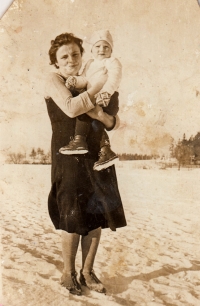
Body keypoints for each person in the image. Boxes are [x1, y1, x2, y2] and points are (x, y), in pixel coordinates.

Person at [44, 32, 127, 296]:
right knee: (71, 214)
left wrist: (102, 113)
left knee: (95, 215)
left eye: (76, 54)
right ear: (56, 62)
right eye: (64, 56)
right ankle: (68, 273)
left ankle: (88, 271)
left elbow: (113, 122)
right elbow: (70, 108)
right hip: (67, 156)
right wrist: (95, 89)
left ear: (84, 55)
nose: (71, 59)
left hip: (97, 156)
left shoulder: (95, 74)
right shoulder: (54, 79)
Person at [59, 30, 122, 171]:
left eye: (106, 47)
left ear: (111, 49)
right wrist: (75, 81)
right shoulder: (90, 63)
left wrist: (106, 92)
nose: (102, 50)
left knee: (86, 112)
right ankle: (104, 150)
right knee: (93, 120)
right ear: (92, 49)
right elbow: (85, 79)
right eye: (98, 46)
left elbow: (114, 78)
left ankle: (80, 140)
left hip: (108, 97)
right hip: (94, 96)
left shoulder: (112, 62)